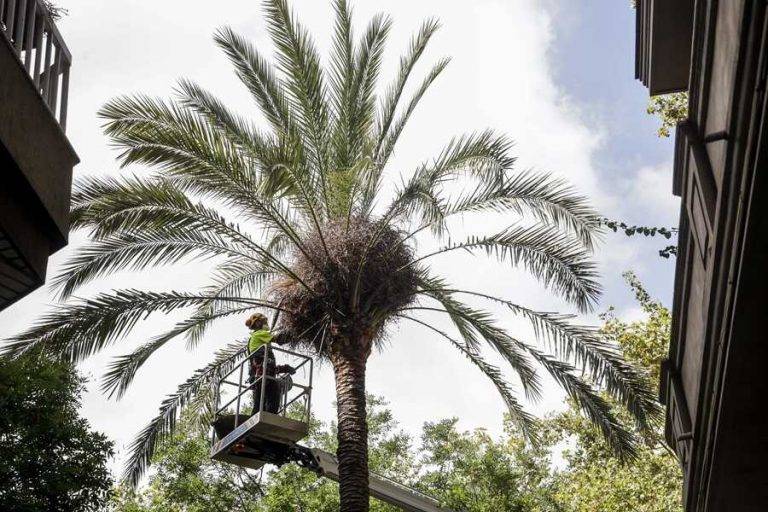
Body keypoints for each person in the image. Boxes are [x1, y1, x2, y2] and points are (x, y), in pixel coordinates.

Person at [245, 313, 294, 414]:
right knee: (265, 404)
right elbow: (279, 339)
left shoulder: (259, 342)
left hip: (263, 378)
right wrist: (294, 332)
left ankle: (260, 425)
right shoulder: (260, 333)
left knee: (264, 404)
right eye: (264, 321)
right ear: (258, 323)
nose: (266, 323)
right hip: (262, 378)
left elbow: (267, 365)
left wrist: (284, 368)